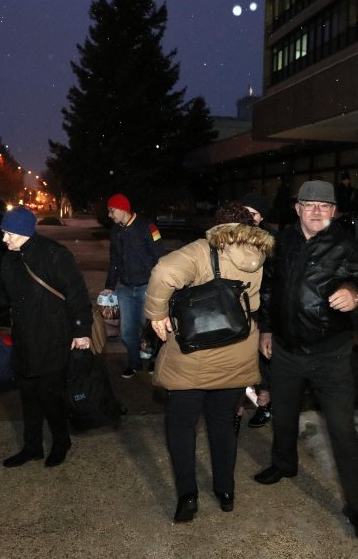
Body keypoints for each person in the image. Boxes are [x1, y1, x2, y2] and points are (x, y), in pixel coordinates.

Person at [253, 180, 358, 541]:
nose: (316, 211)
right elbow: (269, 288)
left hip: (330, 356)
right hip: (286, 350)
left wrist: (355, 294)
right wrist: (266, 329)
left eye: (324, 206)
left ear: (334, 211)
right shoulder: (282, 241)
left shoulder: (346, 245)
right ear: (297, 208)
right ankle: (284, 464)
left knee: (342, 432)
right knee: (282, 414)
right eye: (309, 204)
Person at [145, 202, 274, 522]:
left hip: (194, 355)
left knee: (181, 426)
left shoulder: (204, 249)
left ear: (217, 227)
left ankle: (188, 496)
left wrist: (156, 314)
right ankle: (225, 490)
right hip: (237, 352)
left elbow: (164, 271)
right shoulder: (258, 253)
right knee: (222, 424)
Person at [0, 206, 92, 468]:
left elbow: (77, 294)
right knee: (28, 397)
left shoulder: (54, 255)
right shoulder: (10, 259)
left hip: (53, 338)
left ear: (24, 232)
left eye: (9, 234)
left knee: (50, 396)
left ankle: (61, 442)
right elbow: (5, 292)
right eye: (4, 233)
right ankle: (32, 447)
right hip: (24, 339)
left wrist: (81, 330)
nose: (4, 239)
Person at [100, 193, 165, 378]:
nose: (110, 215)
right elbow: (114, 260)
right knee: (127, 331)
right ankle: (134, 363)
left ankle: (154, 361)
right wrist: (110, 285)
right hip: (126, 288)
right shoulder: (116, 230)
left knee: (151, 328)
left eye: (112, 211)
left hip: (147, 287)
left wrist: (160, 284)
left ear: (122, 209)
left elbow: (159, 257)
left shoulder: (147, 226)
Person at [240, 192, 275, 429]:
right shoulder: (233, 238)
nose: (247, 218)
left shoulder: (270, 243)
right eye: (244, 212)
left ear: (261, 218)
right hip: (237, 311)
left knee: (262, 367)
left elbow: (272, 284)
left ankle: (265, 405)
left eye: (252, 213)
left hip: (260, 312)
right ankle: (236, 412)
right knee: (237, 364)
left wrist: (267, 325)